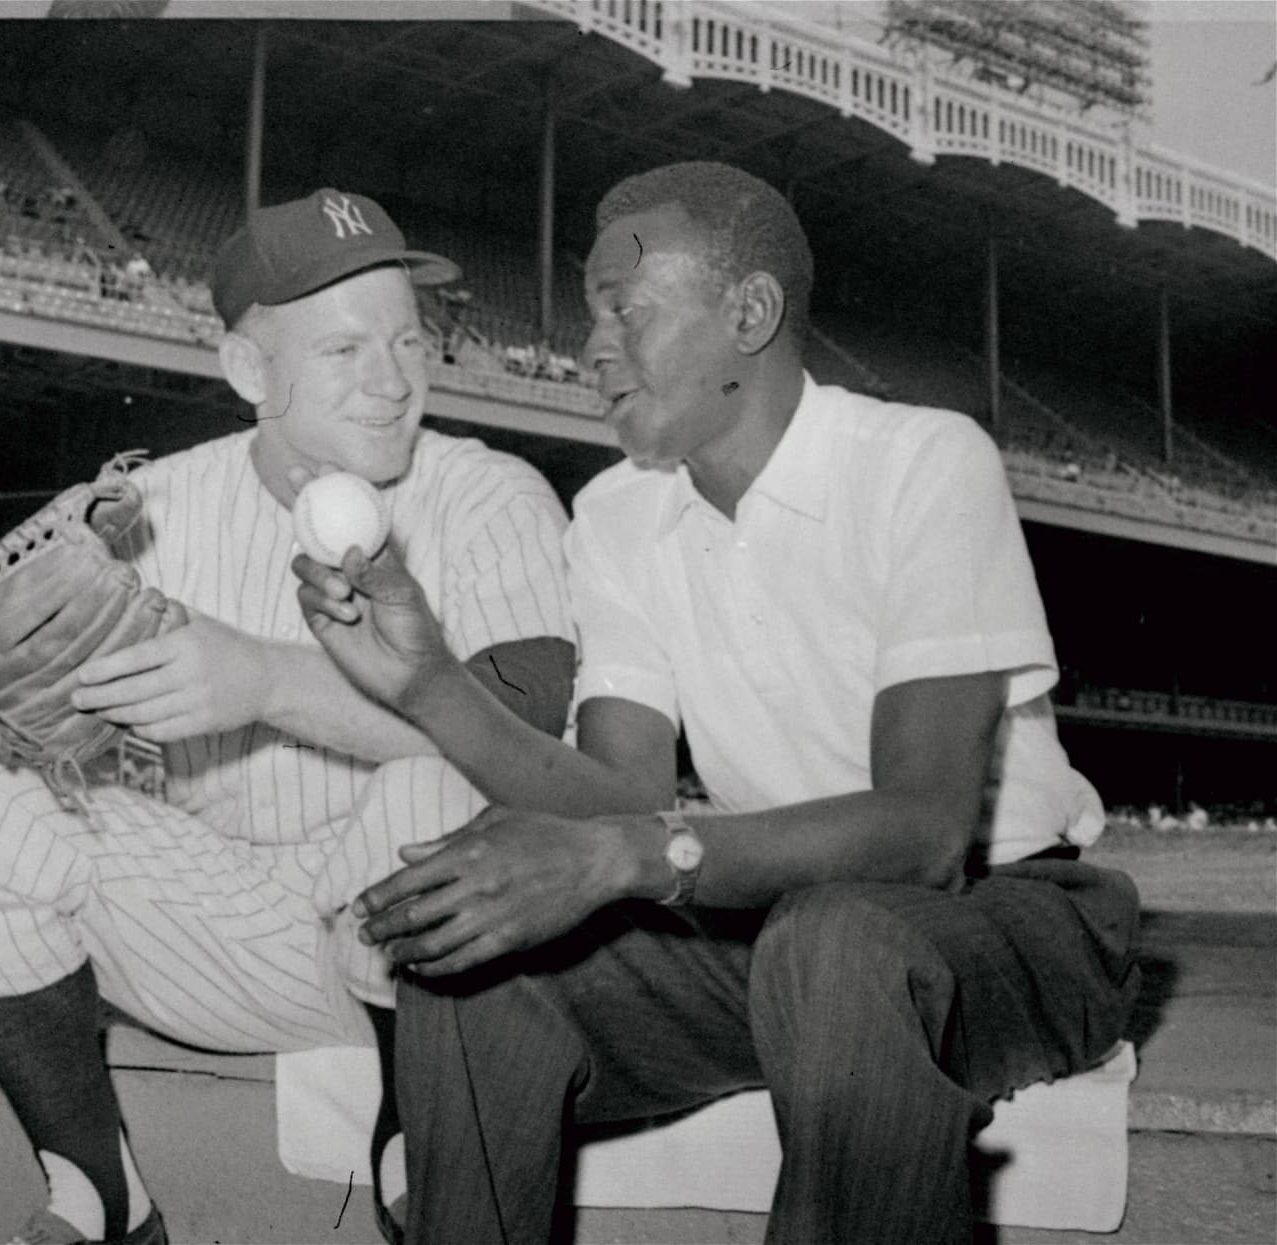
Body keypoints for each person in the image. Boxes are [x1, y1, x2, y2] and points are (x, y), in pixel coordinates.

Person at [294, 161, 1142, 1245]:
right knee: (478, 960)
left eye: (625, 311)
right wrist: (428, 685)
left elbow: (924, 832)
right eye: (587, 315)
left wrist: (627, 857)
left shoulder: (922, 461)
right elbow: (617, 798)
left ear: (748, 311)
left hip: (1010, 924)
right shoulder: (614, 514)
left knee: (837, 941)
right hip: (777, 930)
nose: (590, 347)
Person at [0, 188, 575, 1245]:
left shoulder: (491, 497)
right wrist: (11, 742)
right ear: (251, 371)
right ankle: (99, 1194)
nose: (395, 382)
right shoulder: (149, 505)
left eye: (407, 340)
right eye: (346, 351)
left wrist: (263, 680)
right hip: (209, 922)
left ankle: (415, 1133)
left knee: (444, 780)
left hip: (421, 955)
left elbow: (530, 744)